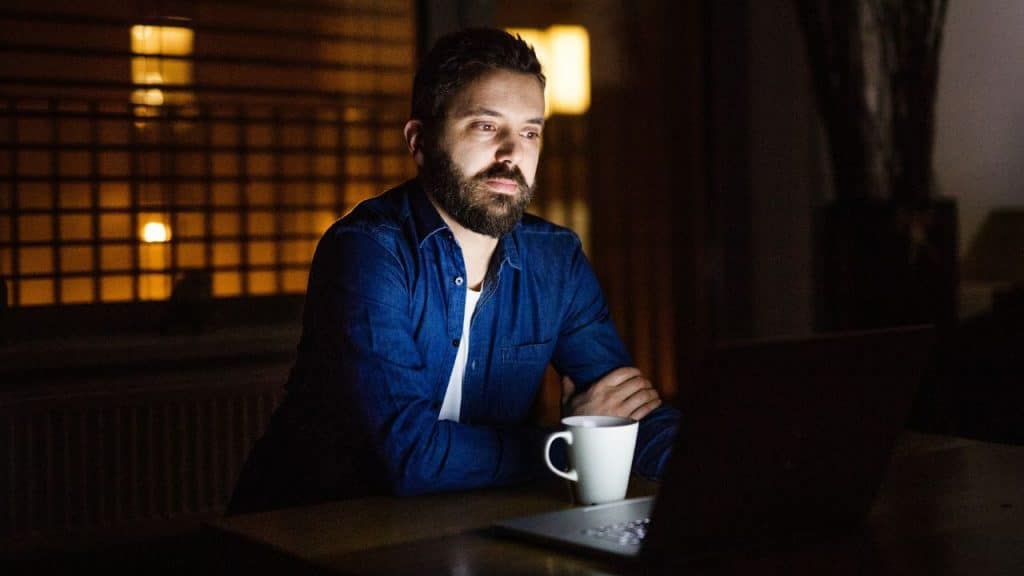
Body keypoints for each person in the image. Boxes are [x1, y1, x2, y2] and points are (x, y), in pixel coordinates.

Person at [226, 27, 679, 515]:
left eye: (530, 132)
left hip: (459, 525)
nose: (512, 154)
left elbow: (628, 416)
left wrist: (744, 466)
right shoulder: (368, 251)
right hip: (311, 529)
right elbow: (408, 457)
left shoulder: (556, 261)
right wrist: (567, 444)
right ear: (420, 141)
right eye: (486, 126)